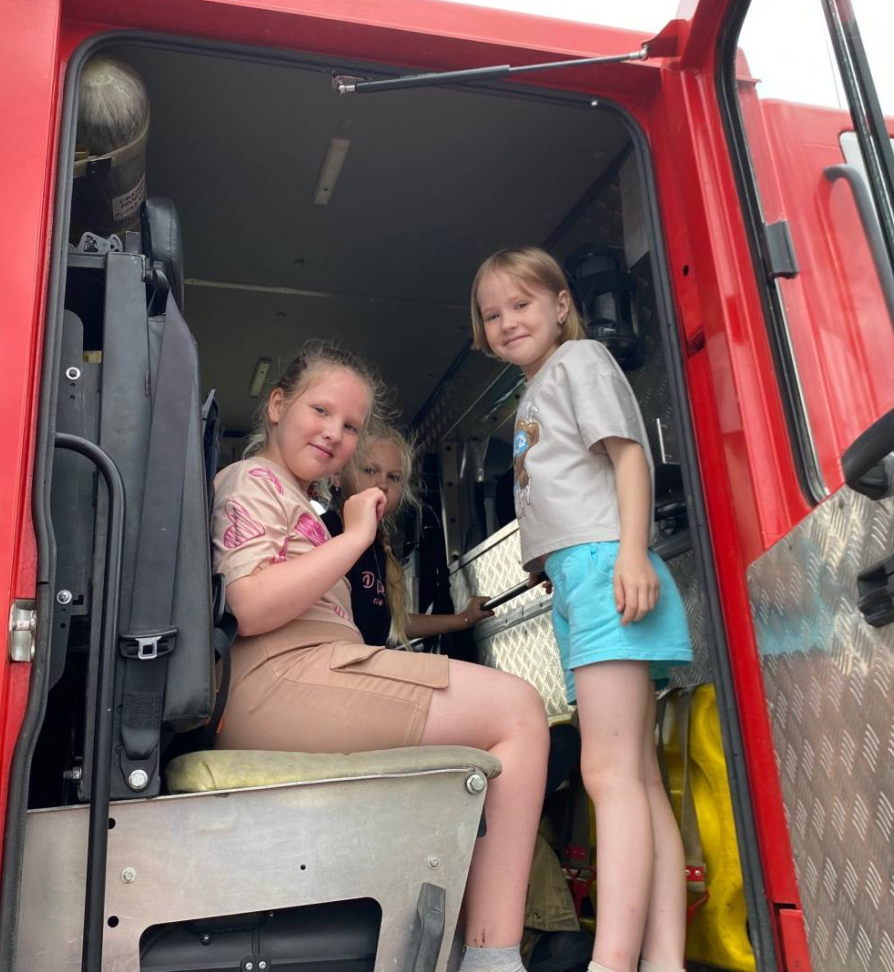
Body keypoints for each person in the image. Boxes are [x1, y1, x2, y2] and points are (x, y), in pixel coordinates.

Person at [211, 342, 549, 972]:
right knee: (519, 711)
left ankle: (475, 943)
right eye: (320, 411)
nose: (333, 433)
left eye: (350, 426)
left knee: (514, 712)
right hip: (281, 680)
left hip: (311, 674)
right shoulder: (250, 480)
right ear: (277, 405)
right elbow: (248, 605)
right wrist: (356, 536)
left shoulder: (300, 503)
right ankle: (494, 957)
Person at [471, 248, 693, 972]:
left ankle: (612, 961)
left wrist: (630, 553)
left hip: (606, 570)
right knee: (634, 777)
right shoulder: (533, 391)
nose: (507, 322)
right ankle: (661, 960)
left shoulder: (579, 360)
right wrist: (551, 564)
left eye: (522, 304)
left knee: (607, 775)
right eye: (492, 314)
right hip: (580, 575)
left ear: (562, 304)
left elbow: (628, 458)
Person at [322, 423, 490, 649]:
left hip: (366, 658)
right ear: (337, 476)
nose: (382, 484)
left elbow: (391, 623)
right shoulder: (324, 531)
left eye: (394, 477)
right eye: (369, 471)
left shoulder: (377, 544)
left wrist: (463, 619)